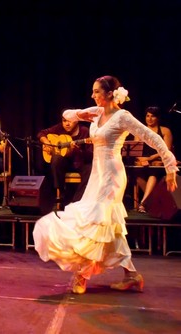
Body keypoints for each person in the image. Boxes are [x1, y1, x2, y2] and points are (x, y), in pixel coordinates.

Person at [33, 75, 178, 294]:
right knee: (108, 226)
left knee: (93, 220)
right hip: (97, 174)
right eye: (93, 91)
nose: (93, 95)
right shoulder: (98, 113)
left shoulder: (123, 117)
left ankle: (81, 274)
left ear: (110, 93)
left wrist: (169, 167)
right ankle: (131, 275)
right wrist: (83, 113)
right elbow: (67, 114)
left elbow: (153, 139)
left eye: (97, 91)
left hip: (112, 176)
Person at [37, 111, 93, 206]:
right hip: (65, 163)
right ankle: (61, 194)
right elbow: (41, 133)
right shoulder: (59, 128)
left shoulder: (84, 131)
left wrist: (77, 151)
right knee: (56, 159)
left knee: (90, 168)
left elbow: (90, 154)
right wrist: (47, 143)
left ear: (77, 121)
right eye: (64, 121)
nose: (67, 124)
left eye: (70, 121)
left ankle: (76, 201)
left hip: (79, 162)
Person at [133, 106, 174, 213]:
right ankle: (153, 201)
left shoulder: (165, 130)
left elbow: (167, 150)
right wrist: (142, 160)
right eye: (147, 116)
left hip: (158, 161)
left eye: (153, 116)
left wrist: (150, 158)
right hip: (143, 162)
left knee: (153, 172)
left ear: (158, 118)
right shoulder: (140, 131)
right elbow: (135, 150)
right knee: (137, 175)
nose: (149, 119)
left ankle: (143, 203)